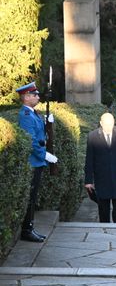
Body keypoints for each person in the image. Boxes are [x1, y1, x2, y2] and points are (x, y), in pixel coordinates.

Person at [16, 82, 58, 242]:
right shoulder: (25, 116)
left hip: (37, 162)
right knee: (31, 197)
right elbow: (32, 141)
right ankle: (27, 229)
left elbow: (40, 133)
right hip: (34, 161)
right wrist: (45, 155)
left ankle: (30, 227)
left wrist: (47, 122)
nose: (38, 97)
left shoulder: (32, 113)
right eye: (34, 95)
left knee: (33, 197)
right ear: (26, 97)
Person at [85, 113, 116, 223]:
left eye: (110, 123)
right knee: (103, 212)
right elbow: (89, 160)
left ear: (114, 122)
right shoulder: (93, 136)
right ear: (101, 123)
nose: (108, 126)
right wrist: (88, 181)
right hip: (102, 179)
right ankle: (104, 232)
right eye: (105, 124)